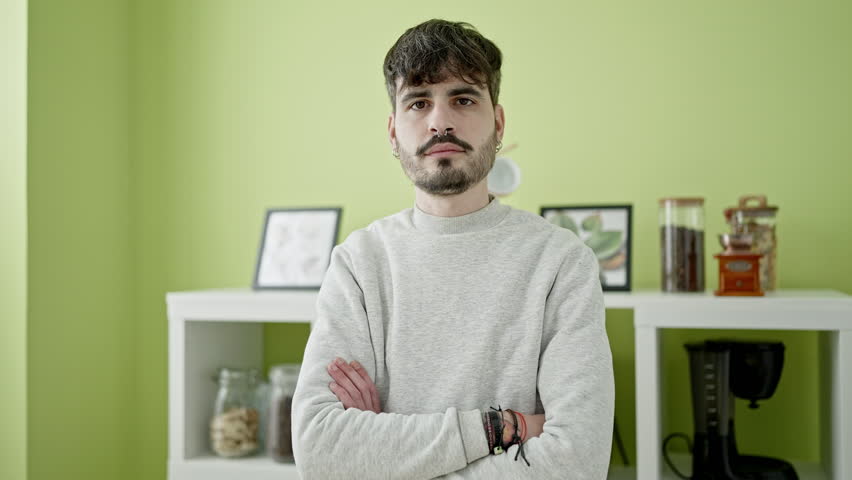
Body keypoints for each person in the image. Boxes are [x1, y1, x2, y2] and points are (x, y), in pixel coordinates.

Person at [291, 19, 614, 479]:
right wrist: (503, 428)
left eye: (463, 99)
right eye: (418, 102)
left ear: (497, 123)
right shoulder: (358, 264)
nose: (440, 121)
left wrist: (388, 453)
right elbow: (320, 453)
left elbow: (577, 463)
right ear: (392, 132)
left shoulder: (561, 263)